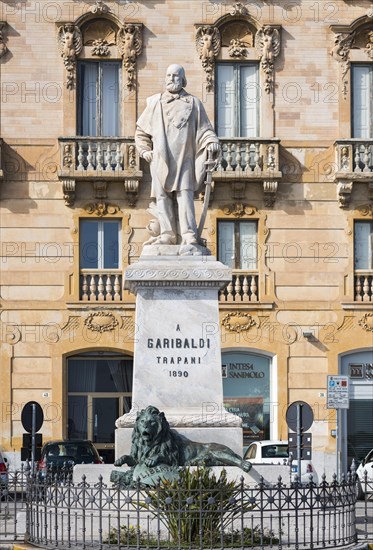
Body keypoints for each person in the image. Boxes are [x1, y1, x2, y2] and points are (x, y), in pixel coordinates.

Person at [135, 64, 220, 248]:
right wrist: (144, 151)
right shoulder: (155, 102)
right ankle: (167, 234)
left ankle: (188, 234)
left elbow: (205, 129)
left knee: (185, 196)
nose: (172, 79)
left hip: (185, 158)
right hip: (160, 157)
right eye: (169, 75)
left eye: (176, 76)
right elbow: (141, 132)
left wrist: (211, 141)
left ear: (183, 80)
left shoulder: (195, 103)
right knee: (162, 196)